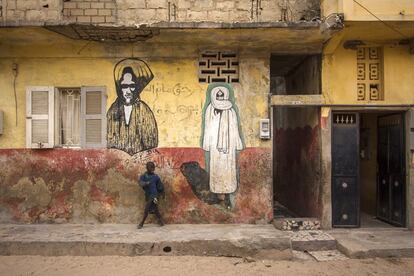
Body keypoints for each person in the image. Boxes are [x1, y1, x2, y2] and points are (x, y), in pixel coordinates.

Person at [107, 58, 158, 155]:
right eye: (125, 86)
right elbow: (109, 140)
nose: (128, 91)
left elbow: (151, 143)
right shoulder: (113, 111)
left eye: (132, 86)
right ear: (119, 87)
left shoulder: (144, 110)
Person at [137, 161, 165, 229]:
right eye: (150, 167)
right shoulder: (143, 176)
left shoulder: (156, 177)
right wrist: (146, 183)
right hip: (148, 195)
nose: (152, 168)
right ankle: (161, 221)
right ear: (147, 168)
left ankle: (141, 223)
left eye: (153, 167)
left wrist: (162, 192)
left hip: (154, 195)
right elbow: (140, 183)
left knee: (147, 208)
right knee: (155, 209)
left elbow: (160, 186)